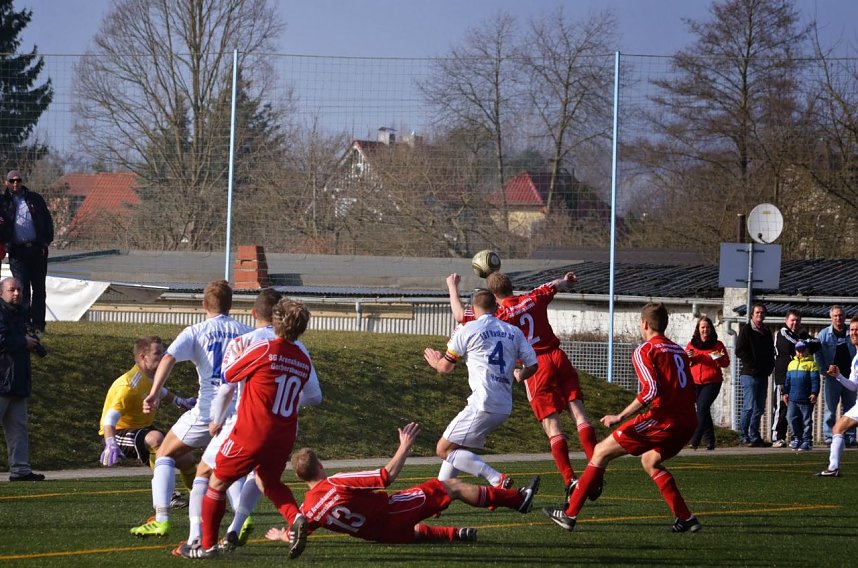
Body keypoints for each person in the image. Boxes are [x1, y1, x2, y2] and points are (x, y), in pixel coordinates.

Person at [175, 288, 323, 555]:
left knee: (216, 483)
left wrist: (217, 418)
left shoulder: (263, 347)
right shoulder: (302, 358)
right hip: (284, 434)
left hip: (252, 431)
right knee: (270, 482)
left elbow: (229, 376)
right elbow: (313, 395)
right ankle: (296, 518)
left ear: (276, 321)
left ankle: (206, 546)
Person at [543, 302, 701, 533]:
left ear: (645, 324)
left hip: (663, 419)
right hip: (689, 421)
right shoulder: (679, 350)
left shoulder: (646, 350)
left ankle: (569, 514)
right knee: (650, 461)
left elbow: (650, 391)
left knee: (600, 452)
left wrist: (619, 416)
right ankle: (686, 518)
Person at [264, 422, 540, 547]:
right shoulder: (335, 482)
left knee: (417, 532)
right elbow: (386, 476)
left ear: (300, 478)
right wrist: (404, 446)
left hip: (379, 535)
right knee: (451, 486)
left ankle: (455, 535)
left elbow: (297, 533)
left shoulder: (308, 508)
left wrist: (280, 536)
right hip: (393, 511)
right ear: (320, 466)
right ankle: (518, 500)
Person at [447, 271, 598, 498]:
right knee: (579, 413)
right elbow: (554, 285)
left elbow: (460, 314)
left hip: (537, 364)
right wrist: (567, 281)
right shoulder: (532, 297)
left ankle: (571, 480)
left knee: (552, 426)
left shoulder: (501, 316)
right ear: (511, 287)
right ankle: (596, 468)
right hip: (559, 357)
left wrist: (453, 286)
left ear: (494, 296)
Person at [130, 280, 251, 537]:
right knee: (223, 464)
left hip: (207, 411)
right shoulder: (246, 332)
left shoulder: (195, 331)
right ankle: (242, 518)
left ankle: (161, 518)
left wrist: (153, 393)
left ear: (204, 304)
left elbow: (168, 358)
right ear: (231, 304)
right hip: (238, 412)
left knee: (164, 453)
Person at [425, 289, 538, 490]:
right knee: (455, 448)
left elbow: (446, 367)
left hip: (483, 403)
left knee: (443, 449)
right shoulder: (513, 331)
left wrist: (435, 362)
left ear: (472, 309)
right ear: (496, 308)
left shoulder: (467, 329)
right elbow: (533, 365)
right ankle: (441, 496)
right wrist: (520, 375)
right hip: (504, 406)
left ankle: (496, 479)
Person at [99, 336, 197, 507]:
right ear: (143, 357)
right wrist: (110, 442)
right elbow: (110, 419)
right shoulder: (128, 385)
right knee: (155, 439)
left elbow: (162, 393)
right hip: (120, 433)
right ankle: (169, 496)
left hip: (144, 429)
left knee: (186, 456)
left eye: (164, 352)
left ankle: (200, 499)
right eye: (158, 353)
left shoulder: (151, 376)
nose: (163, 356)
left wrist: (181, 402)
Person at [0, 277, 45, 481]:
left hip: (17, 381)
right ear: (2, 292)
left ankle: (20, 470)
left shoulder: (19, 314)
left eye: (19, 289)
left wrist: (31, 342)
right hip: (1, 381)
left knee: (18, 427)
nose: (16, 293)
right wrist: (24, 341)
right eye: (12, 290)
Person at [1, 170, 54, 333]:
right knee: (21, 288)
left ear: (22, 181)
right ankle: (23, 324)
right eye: (12, 181)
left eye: (18, 180)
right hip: (17, 251)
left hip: (37, 250)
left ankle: (38, 324)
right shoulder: (3, 202)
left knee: (39, 288)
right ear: (6, 182)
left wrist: (46, 242)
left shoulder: (35, 199)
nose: (15, 183)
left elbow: (47, 219)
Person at [772, 310, 819, 448]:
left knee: (798, 413)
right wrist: (804, 343)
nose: (795, 323)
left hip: (800, 383)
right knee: (782, 408)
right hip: (784, 378)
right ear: (786, 321)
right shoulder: (782, 333)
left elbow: (817, 343)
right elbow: (793, 345)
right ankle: (778, 437)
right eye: (792, 320)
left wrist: (804, 341)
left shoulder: (802, 335)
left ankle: (797, 438)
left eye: (798, 320)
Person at [818, 315, 858, 477]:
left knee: (838, 428)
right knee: (837, 428)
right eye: (853, 330)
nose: (854, 333)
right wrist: (839, 376)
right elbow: (854, 385)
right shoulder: (855, 358)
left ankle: (833, 467)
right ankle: (833, 467)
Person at [814, 305, 857, 447]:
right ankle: (829, 437)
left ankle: (850, 437)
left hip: (849, 376)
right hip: (832, 377)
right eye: (835, 316)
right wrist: (825, 369)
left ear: (845, 317)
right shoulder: (824, 334)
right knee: (830, 408)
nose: (838, 318)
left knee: (851, 408)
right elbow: (817, 354)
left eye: (841, 316)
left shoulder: (851, 333)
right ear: (831, 317)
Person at [685, 316, 729, 451]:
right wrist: (689, 358)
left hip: (712, 382)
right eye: (702, 327)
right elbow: (685, 362)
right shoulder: (692, 344)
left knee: (702, 407)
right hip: (695, 382)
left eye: (708, 327)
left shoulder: (717, 344)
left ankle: (695, 440)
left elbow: (725, 363)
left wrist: (718, 357)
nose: (705, 330)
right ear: (698, 329)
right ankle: (710, 441)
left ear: (711, 329)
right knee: (703, 410)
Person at [735, 302, 774, 447]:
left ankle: (754, 435)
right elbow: (739, 350)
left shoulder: (766, 331)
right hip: (749, 374)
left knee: (759, 407)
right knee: (749, 406)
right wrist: (752, 363)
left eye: (762, 313)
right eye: (757, 312)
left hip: (763, 375)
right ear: (752, 314)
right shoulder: (746, 330)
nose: (760, 315)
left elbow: (770, 351)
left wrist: (769, 366)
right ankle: (744, 436)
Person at [783, 341, 819, 452]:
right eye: (798, 350)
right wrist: (785, 393)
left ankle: (807, 441)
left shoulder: (812, 364)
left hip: (806, 398)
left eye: (803, 350)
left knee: (806, 421)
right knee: (790, 417)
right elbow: (787, 381)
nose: (801, 353)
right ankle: (797, 438)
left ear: (807, 350)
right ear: (795, 351)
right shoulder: (791, 364)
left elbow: (815, 380)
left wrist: (814, 393)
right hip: (793, 398)